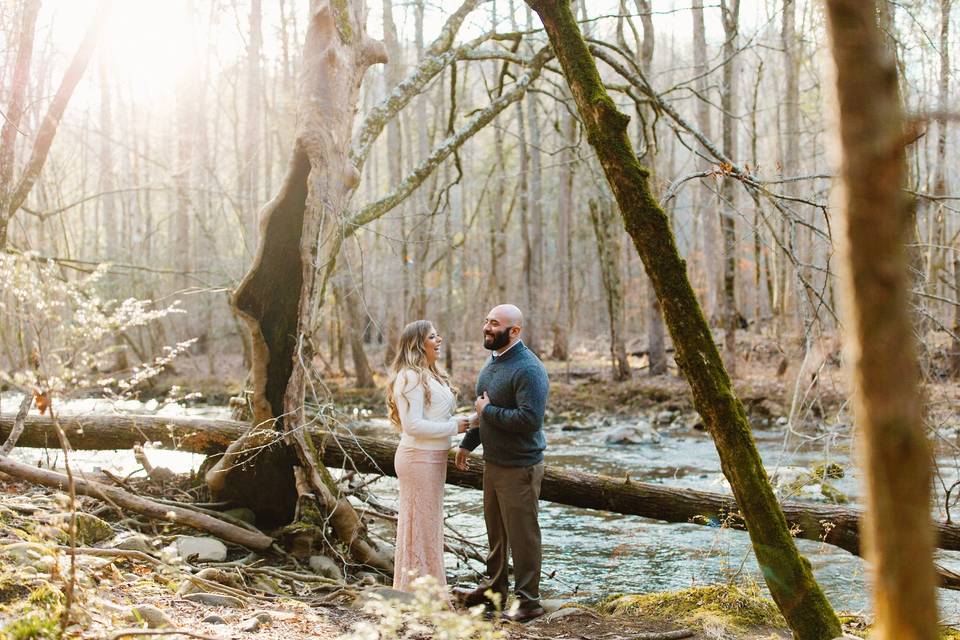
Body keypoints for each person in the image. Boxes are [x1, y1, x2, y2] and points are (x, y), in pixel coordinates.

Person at [455, 304, 550, 622]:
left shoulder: (528, 369)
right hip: (493, 464)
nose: (486, 327)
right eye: (486, 321)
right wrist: (468, 445)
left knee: (523, 536)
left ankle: (529, 602)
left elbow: (529, 420)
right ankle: (495, 591)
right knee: (496, 532)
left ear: (515, 331)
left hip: (520, 467)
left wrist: (487, 412)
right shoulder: (492, 364)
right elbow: (486, 412)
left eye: (494, 324)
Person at [386, 320, 471, 594]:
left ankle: (429, 592)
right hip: (417, 458)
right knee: (418, 526)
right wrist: (455, 428)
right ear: (417, 344)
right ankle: (414, 594)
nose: (439, 340)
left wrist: (469, 421)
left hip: (433, 459)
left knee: (429, 526)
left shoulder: (431, 374)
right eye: (432, 336)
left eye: (438, 334)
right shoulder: (409, 376)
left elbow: (436, 416)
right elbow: (412, 426)